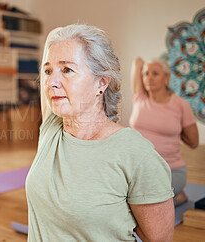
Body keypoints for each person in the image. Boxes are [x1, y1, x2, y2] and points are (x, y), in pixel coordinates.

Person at [25, 24, 175, 241]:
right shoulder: (52, 127)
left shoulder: (136, 153)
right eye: (48, 71)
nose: (51, 82)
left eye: (67, 70)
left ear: (102, 82)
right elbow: (51, 40)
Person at [129, 57, 199, 206]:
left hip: (171, 171)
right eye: (146, 74)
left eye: (155, 73)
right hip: (139, 170)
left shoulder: (181, 105)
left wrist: (173, 130)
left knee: (145, 204)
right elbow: (138, 62)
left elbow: (194, 142)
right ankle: (173, 199)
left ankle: (177, 197)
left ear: (167, 78)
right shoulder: (140, 97)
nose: (149, 78)